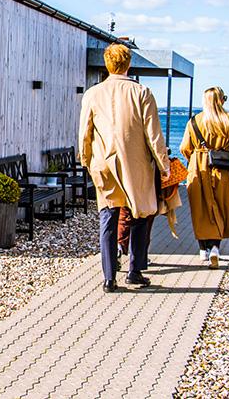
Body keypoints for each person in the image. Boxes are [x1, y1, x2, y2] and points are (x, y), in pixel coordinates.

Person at [79, 44, 170, 293]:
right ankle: (135, 270)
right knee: (139, 215)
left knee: (108, 218)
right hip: (136, 165)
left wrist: (86, 160)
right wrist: (164, 165)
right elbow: (154, 135)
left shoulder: (92, 94)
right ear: (128, 64)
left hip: (104, 163)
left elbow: (84, 133)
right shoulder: (142, 93)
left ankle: (109, 278)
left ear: (108, 65)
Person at [180, 87, 229, 269]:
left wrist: (196, 159)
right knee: (221, 206)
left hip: (198, 167)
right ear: (221, 100)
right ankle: (215, 247)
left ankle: (203, 249)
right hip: (222, 169)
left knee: (200, 208)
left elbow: (185, 147)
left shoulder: (194, 121)